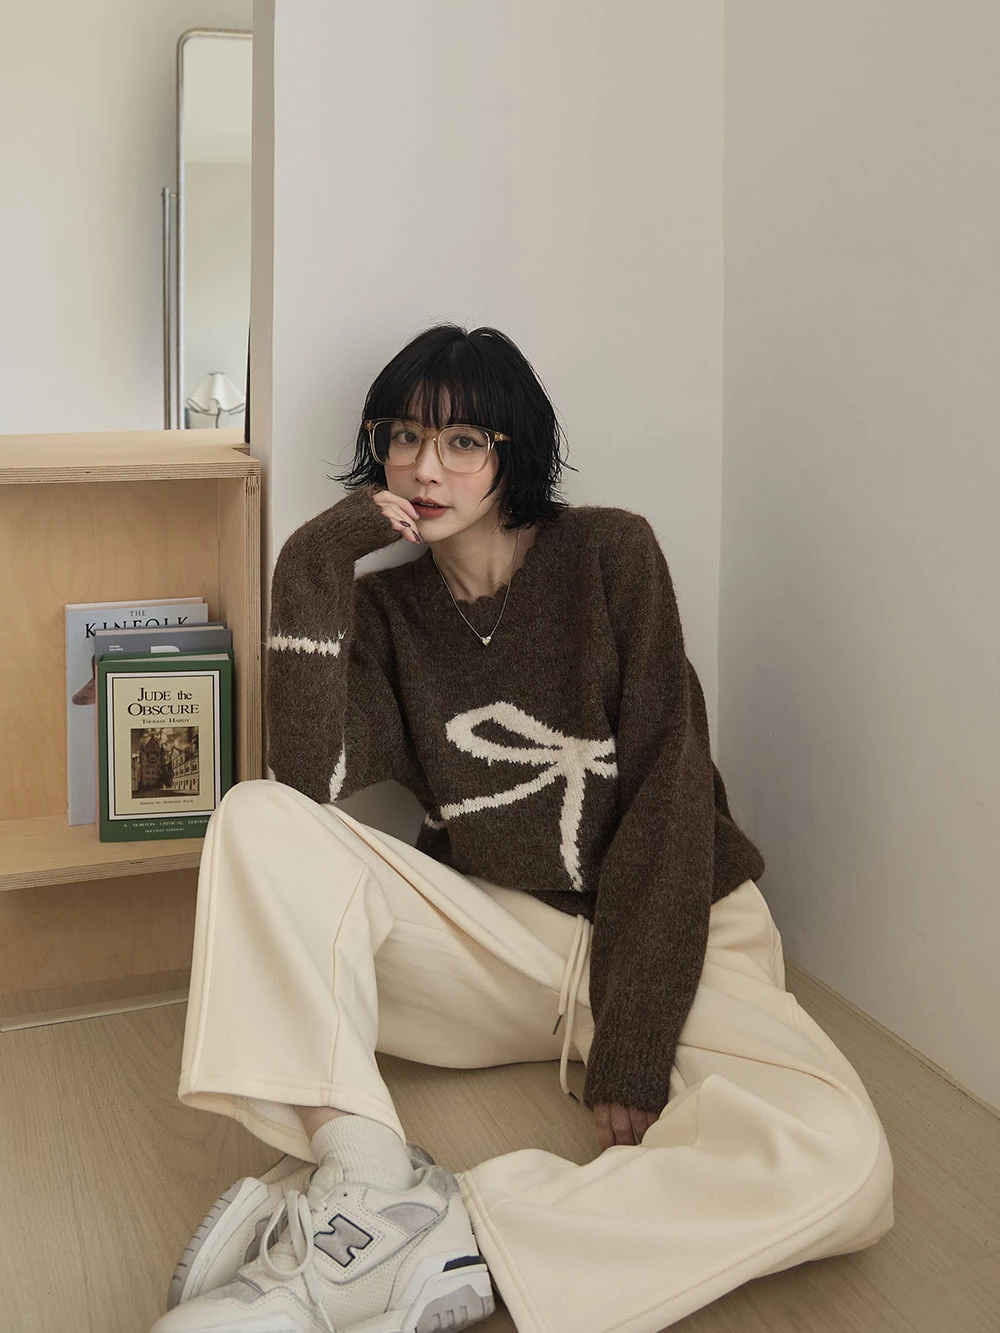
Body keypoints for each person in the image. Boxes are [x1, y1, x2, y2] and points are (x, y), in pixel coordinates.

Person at [151, 325, 894, 1333]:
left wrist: (633, 1038)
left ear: (515, 453)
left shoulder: (611, 554)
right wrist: (314, 556)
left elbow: (671, 790)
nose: (425, 467)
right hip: (501, 940)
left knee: (844, 1158)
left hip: (678, 929)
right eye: (404, 436)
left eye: (463, 441)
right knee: (255, 816)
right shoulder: (384, 610)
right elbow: (308, 776)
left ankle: (452, 1234)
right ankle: (364, 1178)